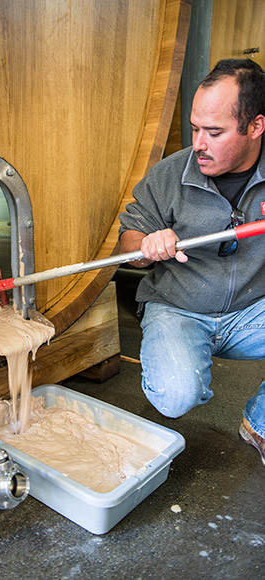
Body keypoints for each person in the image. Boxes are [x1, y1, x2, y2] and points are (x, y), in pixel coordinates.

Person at [119, 58, 265, 466]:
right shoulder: (168, 175)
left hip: (251, 313)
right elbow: (126, 242)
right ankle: (182, 367)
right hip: (179, 309)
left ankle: (260, 424)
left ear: (255, 127)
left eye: (213, 132)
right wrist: (145, 243)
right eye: (195, 127)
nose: (198, 143)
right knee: (176, 395)